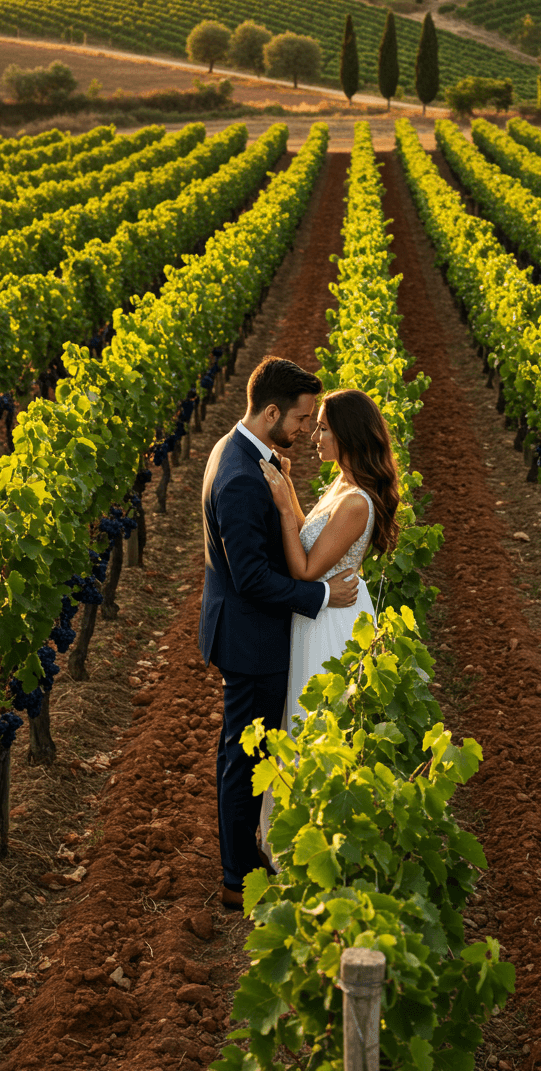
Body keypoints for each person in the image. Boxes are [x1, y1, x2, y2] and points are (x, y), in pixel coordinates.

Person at [199, 356, 359, 911]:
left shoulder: (238, 451)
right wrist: (322, 595)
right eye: (301, 418)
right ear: (271, 412)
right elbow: (251, 579)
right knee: (244, 756)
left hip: (250, 633)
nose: (306, 428)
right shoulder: (242, 478)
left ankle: (245, 859)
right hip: (251, 640)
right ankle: (236, 876)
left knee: (248, 749)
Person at [257, 388, 401, 863]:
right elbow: (310, 538)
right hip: (317, 613)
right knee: (303, 721)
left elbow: (304, 569)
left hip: (331, 623)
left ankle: (320, 849)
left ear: (347, 433)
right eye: (315, 426)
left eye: (323, 428)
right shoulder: (341, 484)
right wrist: (291, 491)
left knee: (317, 725)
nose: (314, 436)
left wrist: (283, 505)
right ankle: (299, 847)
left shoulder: (356, 502)